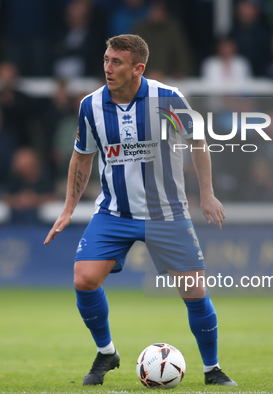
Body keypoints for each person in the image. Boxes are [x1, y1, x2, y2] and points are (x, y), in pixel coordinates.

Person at [43, 34, 236, 387]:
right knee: (84, 279)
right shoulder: (91, 105)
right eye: (105, 59)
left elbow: (198, 141)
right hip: (114, 213)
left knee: (195, 292)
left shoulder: (168, 99)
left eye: (116, 62)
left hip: (167, 214)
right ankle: (106, 352)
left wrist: (207, 194)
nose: (107, 67)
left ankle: (212, 369)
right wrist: (68, 208)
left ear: (138, 68)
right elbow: (82, 156)